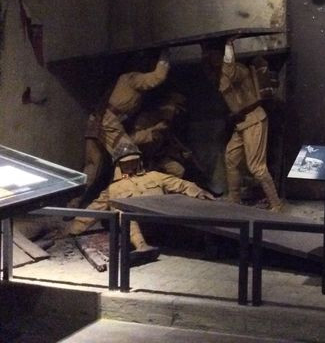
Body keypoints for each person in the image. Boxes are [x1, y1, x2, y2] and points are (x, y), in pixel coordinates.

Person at [66, 153, 215, 262]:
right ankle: (141, 246)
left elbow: (180, 184)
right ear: (119, 165)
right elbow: (94, 210)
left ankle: (210, 243)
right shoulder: (114, 188)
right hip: (138, 227)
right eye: (126, 163)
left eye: (133, 161)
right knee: (121, 208)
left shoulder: (155, 176)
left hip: (163, 220)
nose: (130, 165)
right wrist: (71, 229)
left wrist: (197, 191)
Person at [72, 49, 171, 207]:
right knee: (129, 158)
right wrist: (165, 55)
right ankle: (127, 200)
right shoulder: (132, 78)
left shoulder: (123, 80)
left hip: (98, 119)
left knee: (93, 165)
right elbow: (157, 77)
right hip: (108, 120)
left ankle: (74, 202)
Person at [202, 39, 283, 211]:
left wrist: (228, 45)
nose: (211, 59)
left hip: (253, 119)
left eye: (214, 55)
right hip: (242, 122)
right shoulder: (220, 73)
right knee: (231, 158)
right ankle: (234, 199)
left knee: (257, 167)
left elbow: (230, 72)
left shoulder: (236, 70)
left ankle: (276, 204)